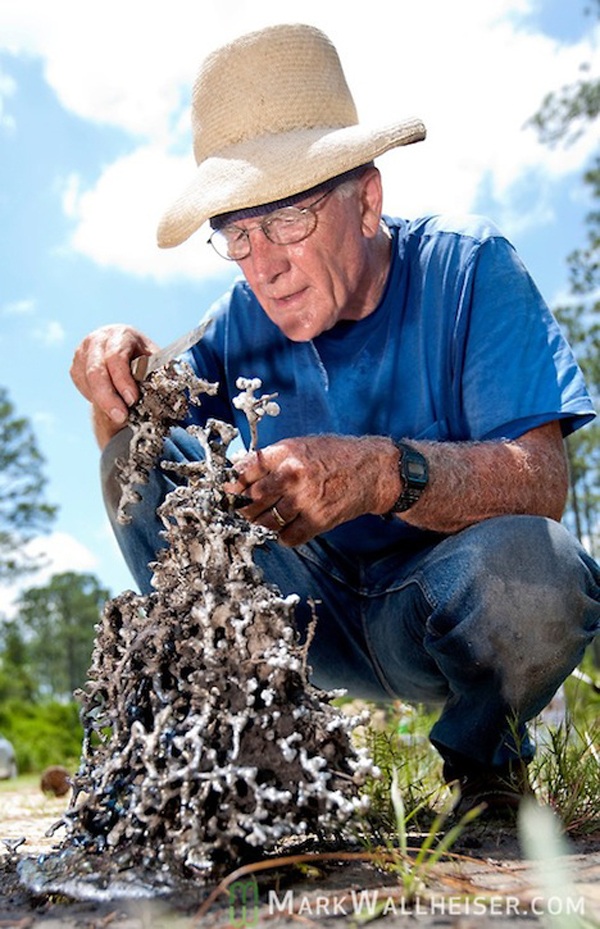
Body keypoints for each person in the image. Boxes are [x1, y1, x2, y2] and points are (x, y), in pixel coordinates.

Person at [71, 23, 600, 818]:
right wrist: (115, 386)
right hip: (303, 621)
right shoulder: (236, 322)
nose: (264, 265)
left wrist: (382, 471)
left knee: (542, 567)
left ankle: (486, 775)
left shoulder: (470, 271)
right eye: (237, 234)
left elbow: (544, 483)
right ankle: (248, 762)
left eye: (287, 220)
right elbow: (135, 469)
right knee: (130, 464)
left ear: (367, 200)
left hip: (439, 611)